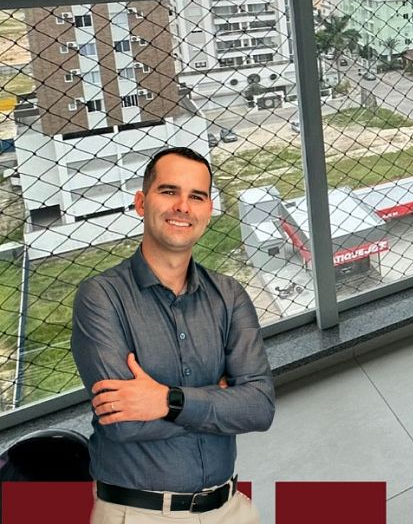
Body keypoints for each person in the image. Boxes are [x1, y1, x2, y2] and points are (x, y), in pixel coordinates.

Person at [71, 146, 275, 523]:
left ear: (208, 210)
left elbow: (259, 407)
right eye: (169, 191)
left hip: (230, 509)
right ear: (141, 202)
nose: (183, 206)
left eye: (196, 196)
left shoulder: (230, 295)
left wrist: (167, 401)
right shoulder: (100, 297)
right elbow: (124, 420)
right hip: (137, 512)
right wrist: (219, 398)